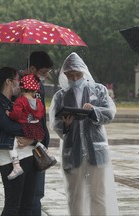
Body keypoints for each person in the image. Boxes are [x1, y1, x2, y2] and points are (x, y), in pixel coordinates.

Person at [49, 52, 119, 215]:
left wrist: (94, 111)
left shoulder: (99, 90)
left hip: (96, 150)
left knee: (98, 194)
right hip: (72, 151)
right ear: (65, 75)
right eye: (70, 75)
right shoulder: (60, 96)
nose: (74, 78)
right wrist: (65, 125)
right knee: (75, 195)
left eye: (77, 74)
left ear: (84, 73)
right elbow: (55, 122)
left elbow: (109, 113)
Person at [0, 66, 38, 215]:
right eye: (18, 80)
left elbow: (38, 125)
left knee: (27, 205)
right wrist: (32, 131)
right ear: (9, 82)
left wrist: (33, 135)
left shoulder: (18, 102)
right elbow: (9, 127)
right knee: (12, 206)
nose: (21, 84)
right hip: (10, 161)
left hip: (29, 156)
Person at [19, 51, 54, 216]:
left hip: (39, 144)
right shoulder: (18, 86)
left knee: (37, 193)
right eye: (43, 72)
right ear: (32, 68)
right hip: (25, 145)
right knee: (26, 194)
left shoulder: (39, 87)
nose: (44, 76)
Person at [7, 74, 56, 180]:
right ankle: (48, 155)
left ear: (22, 88)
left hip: (25, 128)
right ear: (35, 91)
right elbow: (40, 114)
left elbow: (16, 115)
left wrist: (9, 114)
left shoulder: (20, 101)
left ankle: (16, 166)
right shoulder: (38, 102)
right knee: (36, 143)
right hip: (36, 128)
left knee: (11, 145)